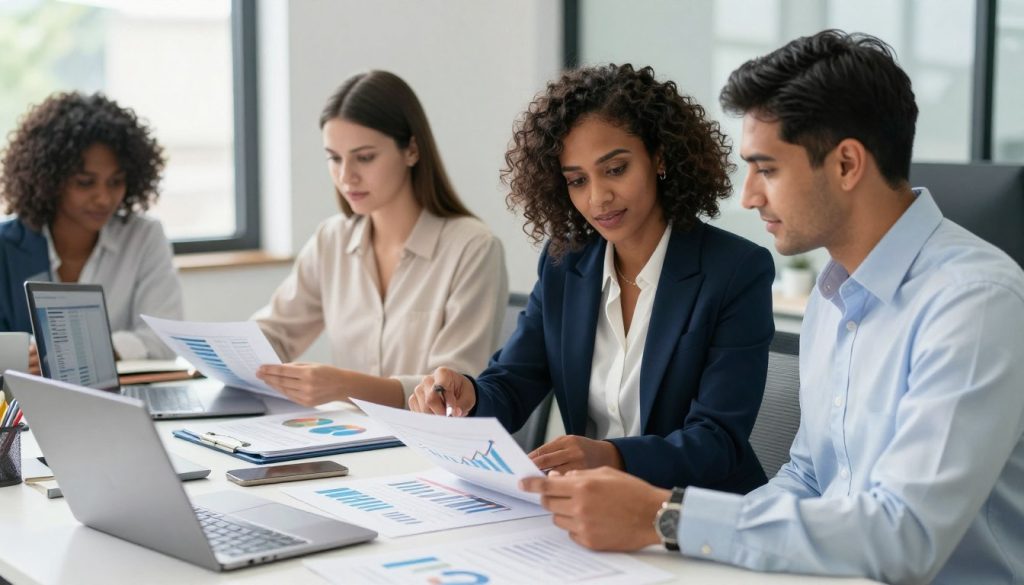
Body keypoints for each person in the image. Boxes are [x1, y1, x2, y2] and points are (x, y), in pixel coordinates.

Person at [520, 30, 1024, 585]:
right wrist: (700, 553)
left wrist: (665, 518)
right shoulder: (833, 297)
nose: (749, 195)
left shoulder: (974, 303)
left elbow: (903, 535)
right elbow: (807, 477)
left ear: (847, 164)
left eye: (768, 168)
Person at [410, 64, 775, 493]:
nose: (597, 198)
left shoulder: (734, 270)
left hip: (696, 516)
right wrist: (466, 395)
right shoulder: (566, 264)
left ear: (659, 157)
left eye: (616, 169)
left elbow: (717, 442)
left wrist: (613, 456)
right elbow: (513, 383)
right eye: (577, 180)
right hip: (593, 511)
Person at [253, 70, 507, 409]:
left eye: (365, 157)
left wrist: (343, 385)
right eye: (334, 158)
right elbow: (274, 333)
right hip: (348, 443)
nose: (346, 176)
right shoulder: (332, 239)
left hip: (429, 449)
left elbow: (452, 391)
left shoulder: (473, 248)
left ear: (412, 150)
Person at [0, 91, 183, 363]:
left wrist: (84, 351)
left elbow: (165, 339)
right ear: (50, 180)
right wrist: (28, 357)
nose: (104, 198)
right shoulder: (6, 247)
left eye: (115, 181)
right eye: (85, 182)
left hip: (122, 399)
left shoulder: (144, 237)